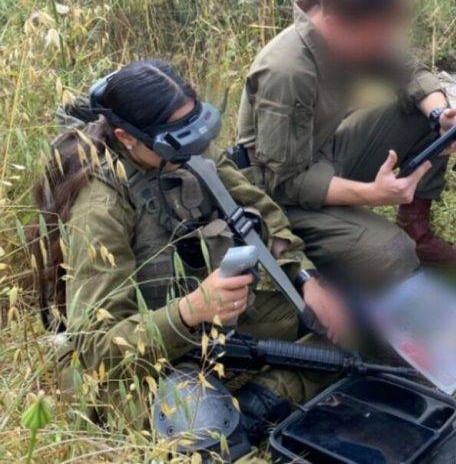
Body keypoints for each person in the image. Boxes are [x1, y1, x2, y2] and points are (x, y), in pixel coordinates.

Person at [31, 60, 345, 458]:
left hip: (212, 322)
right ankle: (248, 409)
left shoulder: (188, 148)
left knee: (346, 330)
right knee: (209, 440)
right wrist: (190, 310)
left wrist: (305, 278)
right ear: (127, 137)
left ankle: (257, 403)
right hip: (145, 355)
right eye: (176, 137)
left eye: (195, 127)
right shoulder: (101, 207)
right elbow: (96, 348)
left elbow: (261, 211)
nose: (194, 144)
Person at [233, 0, 456, 284]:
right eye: (379, 35)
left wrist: (442, 116)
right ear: (339, 23)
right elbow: (287, 183)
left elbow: (410, 71)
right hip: (280, 196)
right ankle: (311, 264)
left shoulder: (353, 28)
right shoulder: (288, 72)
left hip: (325, 151)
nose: (385, 43)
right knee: (393, 253)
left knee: (424, 117)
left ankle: (419, 235)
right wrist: (374, 194)